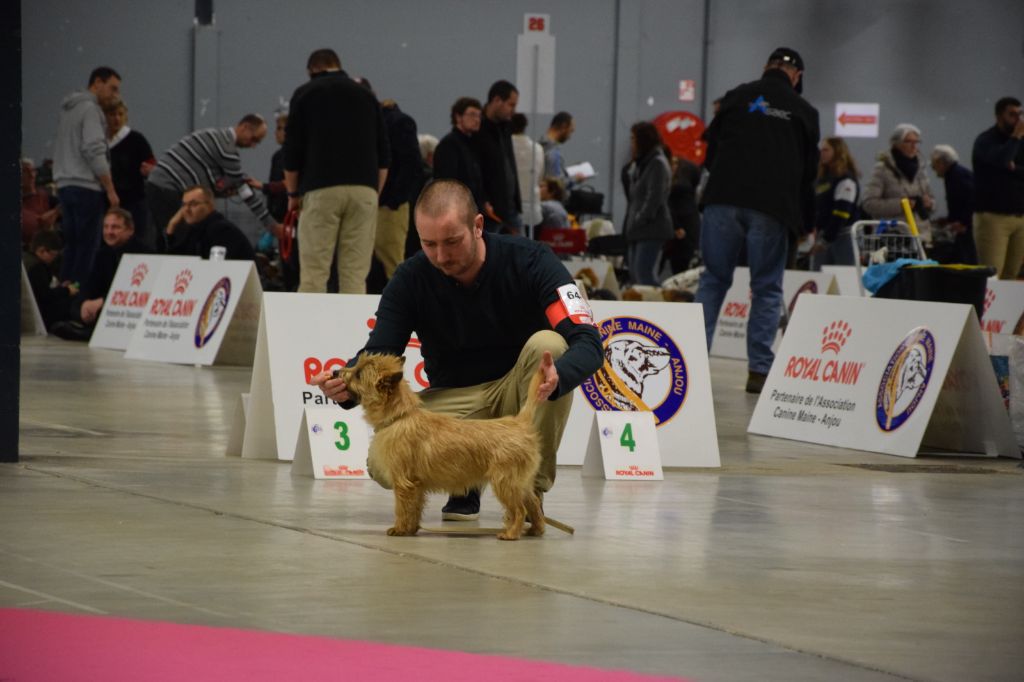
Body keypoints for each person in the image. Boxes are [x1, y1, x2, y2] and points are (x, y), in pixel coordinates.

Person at [310, 179, 603, 521]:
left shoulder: (532, 261)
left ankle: (530, 493)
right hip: (454, 404)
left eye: (452, 242)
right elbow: (379, 353)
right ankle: (464, 486)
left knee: (550, 346)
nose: (441, 256)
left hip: (518, 392)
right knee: (382, 464)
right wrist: (344, 384)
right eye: (428, 244)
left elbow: (588, 342)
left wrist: (560, 375)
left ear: (478, 225)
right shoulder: (410, 279)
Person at [695, 47, 820, 394]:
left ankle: (691, 359)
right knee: (766, 288)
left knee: (713, 281)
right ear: (797, 77)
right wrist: (807, 221)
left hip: (722, 199)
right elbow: (808, 175)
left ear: (766, 67)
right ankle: (759, 371)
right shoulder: (804, 111)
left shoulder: (738, 96)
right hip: (772, 207)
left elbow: (710, 153)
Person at [283, 48, 391, 294]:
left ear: (313, 70)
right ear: (338, 65)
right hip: (365, 190)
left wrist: (292, 195)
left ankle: (310, 330)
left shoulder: (305, 93)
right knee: (355, 274)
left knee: (314, 273)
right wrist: (374, 193)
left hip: (321, 189)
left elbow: (291, 151)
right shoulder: (367, 95)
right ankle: (352, 331)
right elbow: (384, 155)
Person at [146, 114, 280, 250]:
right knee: (181, 239)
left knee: (165, 238)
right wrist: (272, 225)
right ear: (245, 127)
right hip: (167, 189)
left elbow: (212, 182)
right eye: (254, 139)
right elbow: (245, 193)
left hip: (157, 186)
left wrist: (225, 188)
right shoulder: (227, 150)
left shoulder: (213, 135)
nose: (253, 145)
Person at [53, 66, 122, 284]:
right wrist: (110, 189)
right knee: (86, 250)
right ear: (97, 83)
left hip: (65, 185)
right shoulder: (91, 110)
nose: (115, 95)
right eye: (113, 88)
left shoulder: (68, 110)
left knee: (71, 247)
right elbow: (93, 149)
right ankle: (79, 301)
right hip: (86, 187)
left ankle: (64, 296)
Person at [972, 96, 1024, 279]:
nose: (1018, 119)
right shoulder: (985, 141)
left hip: (1020, 217)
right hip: (993, 218)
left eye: (1019, 114)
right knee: (992, 275)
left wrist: (1014, 168)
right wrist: (1015, 137)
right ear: (999, 116)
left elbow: (1010, 166)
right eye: (1012, 114)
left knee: (1012, 276)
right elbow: (1002, 161)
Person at [74, 207, 151, 330]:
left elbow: (133, 292)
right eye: (106, 227)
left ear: (130, 230)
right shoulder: (103, 254)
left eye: (115, 227)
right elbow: (90, 283)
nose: (109, 232)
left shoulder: (143, 254)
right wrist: (85, 302)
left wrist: (102, 302)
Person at [861, 124, 935, 245]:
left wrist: (929, 203)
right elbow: (869, 203)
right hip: (892, 236)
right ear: (896, 143)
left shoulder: (921, 170)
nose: (914, 146)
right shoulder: (882, 169)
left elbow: (931, 199)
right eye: (908, 142)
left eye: (917, 142)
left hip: (920, 236)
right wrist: (902, 204)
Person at [375, 97, 422, 283]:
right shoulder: (399, 121)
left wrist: (394, 199)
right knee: (391, 262)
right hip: (389, 203)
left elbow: (412, 166)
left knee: (390, 263)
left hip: (388, 205)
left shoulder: (395, 122)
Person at [623, 121, 672, 286]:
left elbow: (654, 198)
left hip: (651, 228)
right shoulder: (641, 164)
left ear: (643, 140)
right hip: (638, 229)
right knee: (636, 275)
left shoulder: (657, 163)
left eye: (633, 138)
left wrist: (639, 219)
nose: (631, 142)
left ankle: (658, 308)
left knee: (645, 275)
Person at [105, 101, 155, 248]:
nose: (116, 119)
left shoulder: (136, 139)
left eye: (120, 114)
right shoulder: (99, 141)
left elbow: (151, 164)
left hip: (134, 201)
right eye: (112, 114)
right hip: (106, 201)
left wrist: (149, 169)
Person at [475, 80, 522, 233]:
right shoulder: (478, 130)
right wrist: (483, 200)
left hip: (510, 207)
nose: (513, 110)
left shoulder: (505, 128)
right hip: (490, 210)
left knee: (521, 253)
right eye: (511, 104)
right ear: (496, 100)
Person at [164, 186, 256, 261]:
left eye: (193, 204)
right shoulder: (196, 229)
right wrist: (171, 226)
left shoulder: (221, 230)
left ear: (210, 206)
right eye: (184, 205)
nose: (186, 210)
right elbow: (176, 262)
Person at [810, 136, 860, 269]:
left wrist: (825, 240)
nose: (822, 153)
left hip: (842, 236)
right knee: (819, 279)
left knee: (844, 279)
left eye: (826, 150)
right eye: (821, 150)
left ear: (837, 152)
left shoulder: (845, 179)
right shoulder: (821, 178)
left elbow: (842, 212)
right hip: (823, 234)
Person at [433, 97, 486, 213]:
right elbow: (447, 182)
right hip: (457, 210)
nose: (477, 120)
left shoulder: (472, 144)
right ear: (458, 117)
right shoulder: (449, 144)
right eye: (472, 114)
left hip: (471, 209)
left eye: (479, 116)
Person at [929, 144, 977, 265]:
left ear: (941, 162)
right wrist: (949, 220)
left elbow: (971, 199)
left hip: (966, 227)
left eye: (934, 163)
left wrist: (963, 222)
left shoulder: (956, 176)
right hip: (966, 224)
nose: (933, 167)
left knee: (966, 258)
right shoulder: (956, 174)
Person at [23, 230, 77, 332]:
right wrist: (66, 291)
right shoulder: (37, 267)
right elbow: (45, 295)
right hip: (38, 314)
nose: (54, 259)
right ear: (42, 251)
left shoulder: (25, 259)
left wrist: (60, 288)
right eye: (53, 255)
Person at [663, 153, 703, 275]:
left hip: (687, 222)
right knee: (676, 262)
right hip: (675, 222)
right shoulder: (662, 171)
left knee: (686, 263)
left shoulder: (688, 170)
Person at [510, 113, 544, 230]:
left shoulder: (505, 147)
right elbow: (540, 178)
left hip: (511, 211)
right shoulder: (538, 149)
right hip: (533, 211)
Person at [21, 158, 60, 250]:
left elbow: (66, 207)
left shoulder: (45, 196)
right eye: (25, 172)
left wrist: (56, 212)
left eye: (33, 171)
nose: (31, 175)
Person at [539, 111, 585, 191]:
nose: (569, 137)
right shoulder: (553, 152)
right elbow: (556, 185)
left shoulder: (540, 145)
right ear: (563, 127)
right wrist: (575, 179)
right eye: (570, 131)